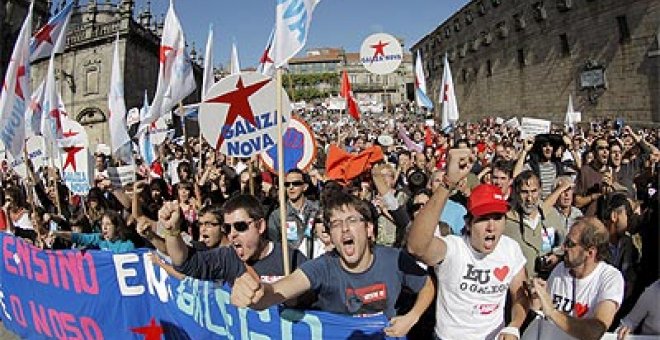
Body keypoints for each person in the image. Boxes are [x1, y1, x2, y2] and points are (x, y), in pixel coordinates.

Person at [231, 190, 435, 337]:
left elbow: (427, 285)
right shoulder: (323, 267)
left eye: (352, 220)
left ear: (369, 229)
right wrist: (257, 293)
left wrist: (412, 317)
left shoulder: (394, 259)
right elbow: (278, 291)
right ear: (330, 236)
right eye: (336, 224)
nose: (345, 229)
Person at [407, 149, 529, 340]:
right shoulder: (453, 249)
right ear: (468, 222)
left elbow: (520, 295)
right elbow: (416, 247)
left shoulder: (511, 249)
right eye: (483, 219)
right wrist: (447, 183)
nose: (491, 227)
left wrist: (514, 326)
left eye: (497, 218)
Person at [162, 194, 306, 284]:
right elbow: (184, 263)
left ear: (260, 226)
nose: (232, 234)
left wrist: (295, 298)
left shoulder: (291, 258)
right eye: (228, 227)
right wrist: (172, 230)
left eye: (240, 226)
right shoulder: (228, 257)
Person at [529, 217, 624, 340]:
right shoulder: (560, 269)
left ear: (590, 252)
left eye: (570, 244)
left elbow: (596, 330)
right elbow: (544, 313)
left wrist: (553, 312)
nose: (563, 248)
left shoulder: (610, 278)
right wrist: (536, 301)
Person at [267, 169, 320, 258]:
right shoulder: (277, 215)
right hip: (292, 264)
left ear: (305, 186)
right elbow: (274, 246)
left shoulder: (317, 210)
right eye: (287, 184)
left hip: (316, 263)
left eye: (296, 183)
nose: (291, 187)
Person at [49, 211, 135, 253]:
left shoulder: (127, 245)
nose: (104, 227)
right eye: (102, 224)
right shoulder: (100, 239)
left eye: (108, 224)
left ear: (116, 227)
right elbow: (79, 237)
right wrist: (58, 233)